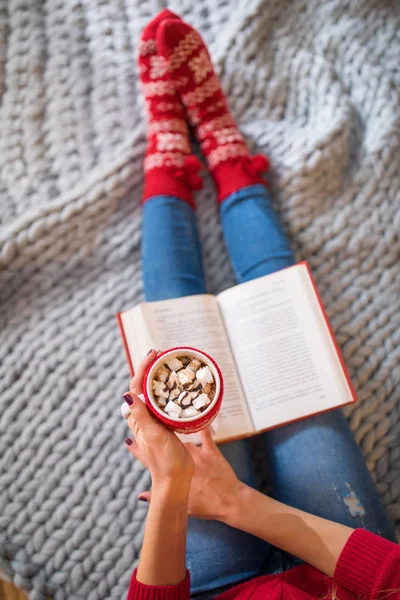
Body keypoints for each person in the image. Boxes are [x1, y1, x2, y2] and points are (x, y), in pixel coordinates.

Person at [122, 10, 399, 600]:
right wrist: (237, 503)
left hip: (214, 589)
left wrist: (176, 487)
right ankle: (225, 152)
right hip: (347, 581)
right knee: (284, 326)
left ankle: (167, 159)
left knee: (175, 334)